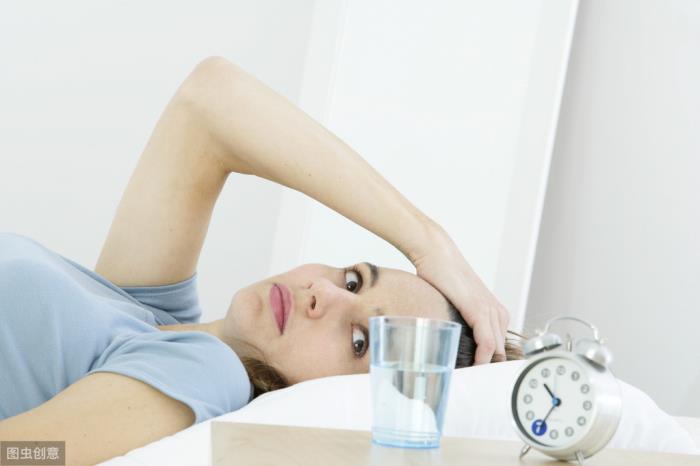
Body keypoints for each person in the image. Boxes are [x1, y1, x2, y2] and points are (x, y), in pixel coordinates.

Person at [0, 56, 520, 465]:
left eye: (359, 341)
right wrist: (429, 243)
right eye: (353, 281)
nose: (324, 295)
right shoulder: (153, 313)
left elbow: (25, 454)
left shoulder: (207, 373)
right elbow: (210, 100)